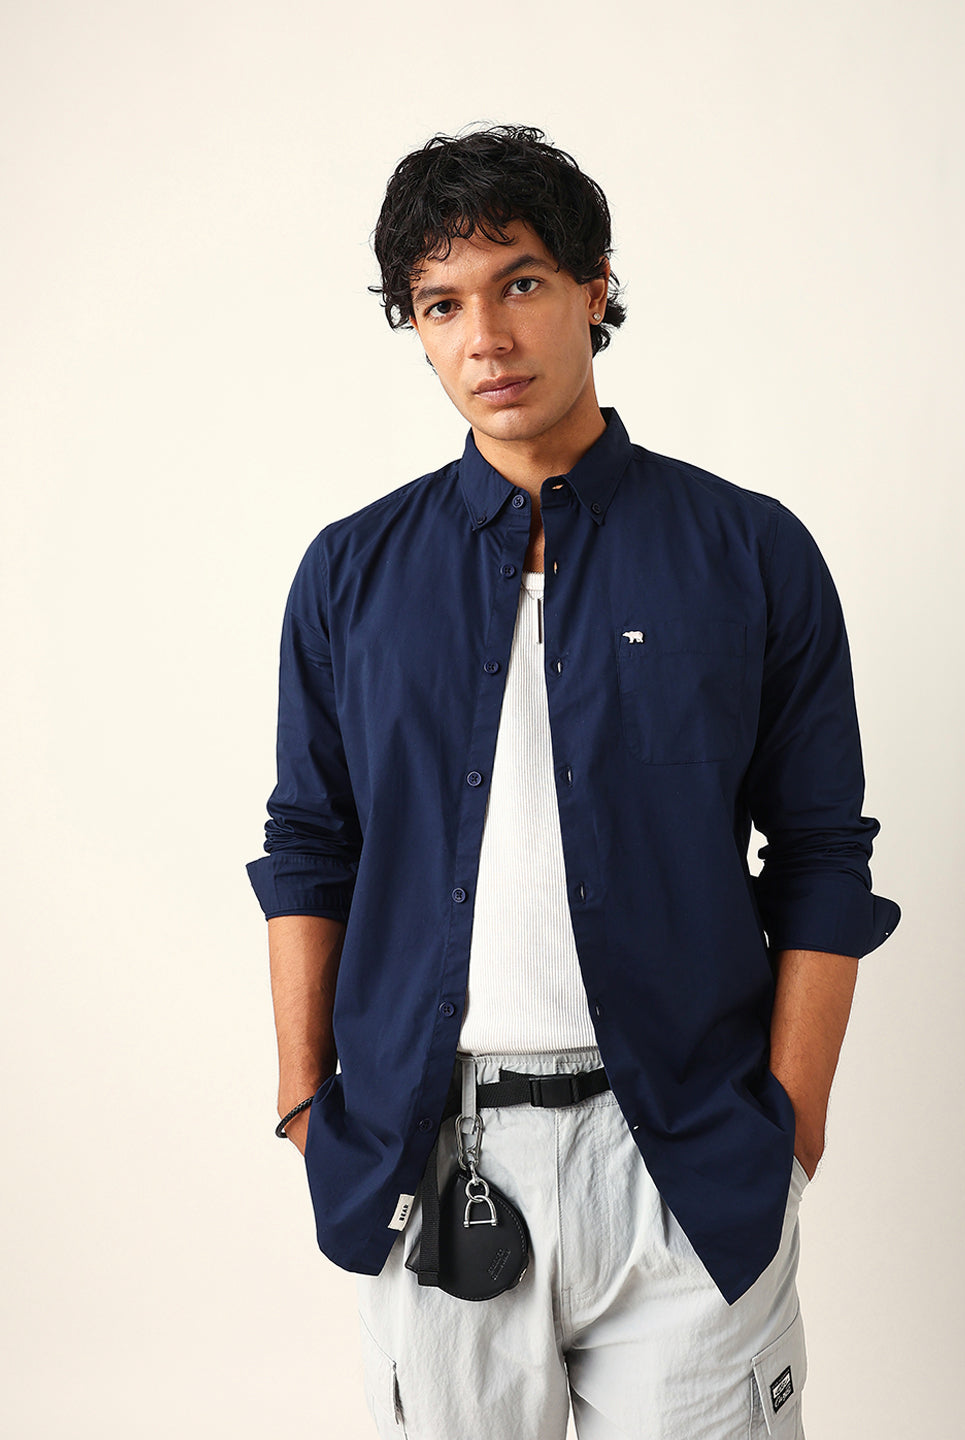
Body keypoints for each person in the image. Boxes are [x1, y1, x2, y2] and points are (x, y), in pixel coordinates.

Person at [246, 124, 900, 1440]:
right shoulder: (350, 575)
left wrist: (792, 1124)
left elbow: (822, 854)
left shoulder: (748, 552)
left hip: (686, 1160)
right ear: (416, 328)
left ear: (597, 287)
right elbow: (312, 845)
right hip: (436, 1156)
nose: (486, 337)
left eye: (522, 283)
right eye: (442, 304)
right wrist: (304, 1102)